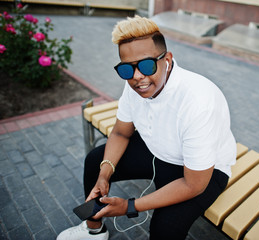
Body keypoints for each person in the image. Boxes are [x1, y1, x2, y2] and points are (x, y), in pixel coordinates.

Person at [57, 15, 236, 240]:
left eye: (147, 65)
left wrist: (130, 206)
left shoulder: (198, 101)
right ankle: (94, 230)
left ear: (167, 59)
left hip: (201, 172)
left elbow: (193, 185)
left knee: (165, 230)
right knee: (96, 162)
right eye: (127, 69)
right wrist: (105, 174)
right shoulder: (134, 84)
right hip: (157, 151)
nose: (138, 77)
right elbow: (121, 132)